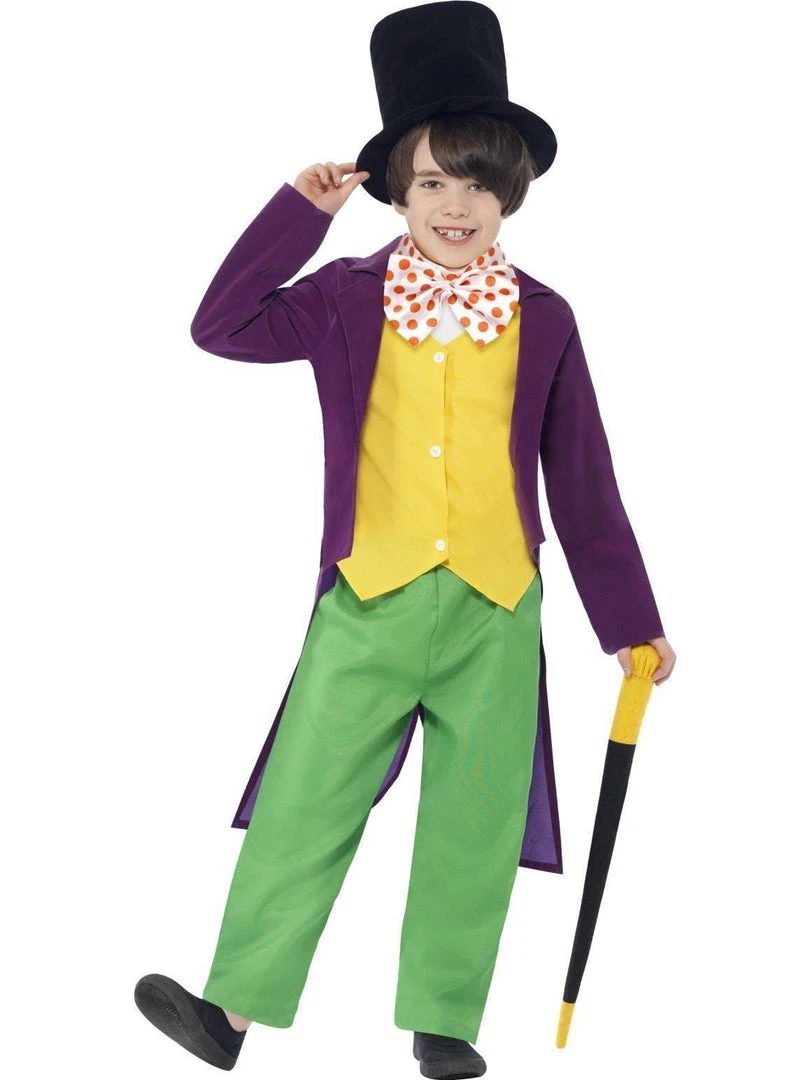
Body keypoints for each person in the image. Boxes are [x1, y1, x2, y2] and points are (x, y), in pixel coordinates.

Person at [134, 6, 675, 1078]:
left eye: (476, 183)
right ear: (394, 190)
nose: (455, 206)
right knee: (305, 798)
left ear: (510, 192)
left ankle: (443, 1022)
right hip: (366, 601)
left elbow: (582, 485)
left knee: (475, 822)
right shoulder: (343, 297)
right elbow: (220, 326)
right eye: (431, 182)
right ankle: (231, 1011)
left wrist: (631, 624)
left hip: (496, 610)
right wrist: (300, 214)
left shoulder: (545, 316)